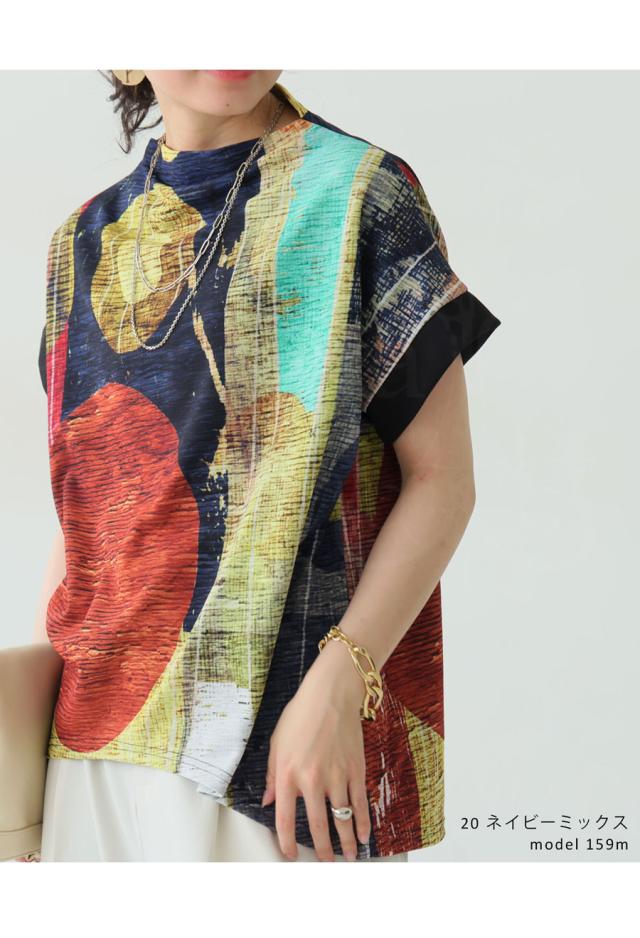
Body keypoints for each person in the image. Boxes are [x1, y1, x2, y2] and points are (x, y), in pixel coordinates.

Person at [22, 69, 501, 862]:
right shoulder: (83, 240)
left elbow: (441, 479)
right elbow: (85, 518)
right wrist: (28, 739)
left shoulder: (360, 195)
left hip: (286, 756)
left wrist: (339, 685)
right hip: (93, 747)